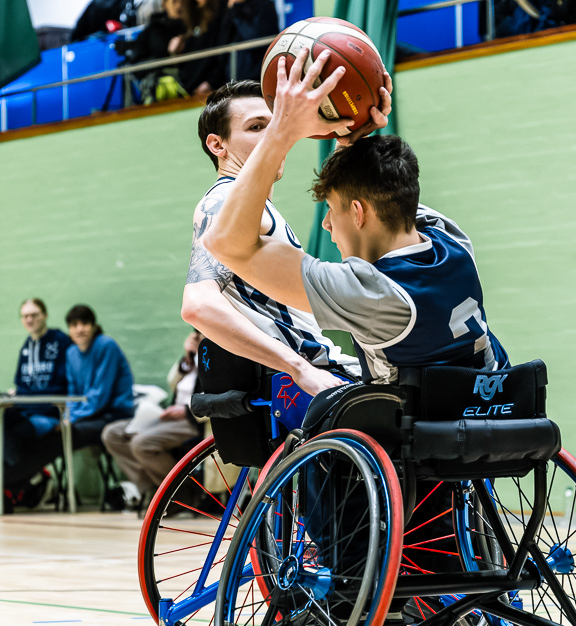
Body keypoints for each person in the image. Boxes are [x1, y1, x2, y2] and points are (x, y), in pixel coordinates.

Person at [203, 50, 509, 384]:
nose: (326, 224)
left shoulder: (371, 294)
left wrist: (283, 132)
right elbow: (381, 190)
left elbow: (225, 243)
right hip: (489, 406)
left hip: (408, 426)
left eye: (331, 210)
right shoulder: (450, 238)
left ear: (358, 213)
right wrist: (350, 136)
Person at [181, 79, 360, 397]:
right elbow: (198, 306)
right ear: (217, 145)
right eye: (256, 127)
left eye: (274, 124)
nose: (272, 136)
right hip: (315, 374)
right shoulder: (222, 201)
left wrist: (348, 137)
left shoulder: (253, 206)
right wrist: (300, 369)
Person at [0, 298, 73, 510]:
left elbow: (71, 381)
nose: (30, 319)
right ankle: (26, 479)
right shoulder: (26, 347)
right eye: (25, 316)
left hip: (48, 413)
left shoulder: (61, 342)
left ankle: (15, 482)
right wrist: (15, 393)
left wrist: (68, 414)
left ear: (44, 315)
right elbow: (20, 381)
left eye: (34, 314)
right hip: (24, 409)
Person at [102, 330, 204, 499]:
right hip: (170, 415)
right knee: (111, 434)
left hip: (193, 418)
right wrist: (188, 356)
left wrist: (186, 410)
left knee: (141, 443)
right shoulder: (192, 359)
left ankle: (182, 491)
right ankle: (151, 487)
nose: (198, 337)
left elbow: (216, 396)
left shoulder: (217, 356)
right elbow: (172, 381)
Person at [65, 304, 136, 449]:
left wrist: (71, 419)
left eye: (84, 323)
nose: (79, 329)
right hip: (88, 416)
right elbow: (72, 394)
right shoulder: (71, 353)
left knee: (68, 433)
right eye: (74, 325)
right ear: (69, 330)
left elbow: (101, 396)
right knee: (51, 433)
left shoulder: (106, 345)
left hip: (114, 413)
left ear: (94, 326)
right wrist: (68, 417)